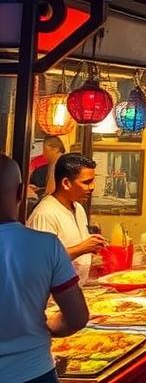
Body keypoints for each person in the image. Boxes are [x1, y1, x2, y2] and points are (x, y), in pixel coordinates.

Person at [0, 153, 88, 383]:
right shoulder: (46, 245)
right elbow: (77, 317)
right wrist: (46, 325)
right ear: (21, 193)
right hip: (33, 370)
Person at [27, 153, 106, 285]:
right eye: (86, 182)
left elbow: (73, 252)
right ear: (66, 183)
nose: (92, 187)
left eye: (93, 181)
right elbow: (40, 263)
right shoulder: (45, 214)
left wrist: (92, 258)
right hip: (53, 298)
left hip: (76, 288)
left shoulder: (78, 208)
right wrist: (82, 248)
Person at [27, 136, 65, 200]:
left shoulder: (61, 164)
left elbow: (51, 193)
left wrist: (34, 196)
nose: (43, 154)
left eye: (45, 151)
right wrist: (40, 189)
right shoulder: (53, 163)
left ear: (55, 149)